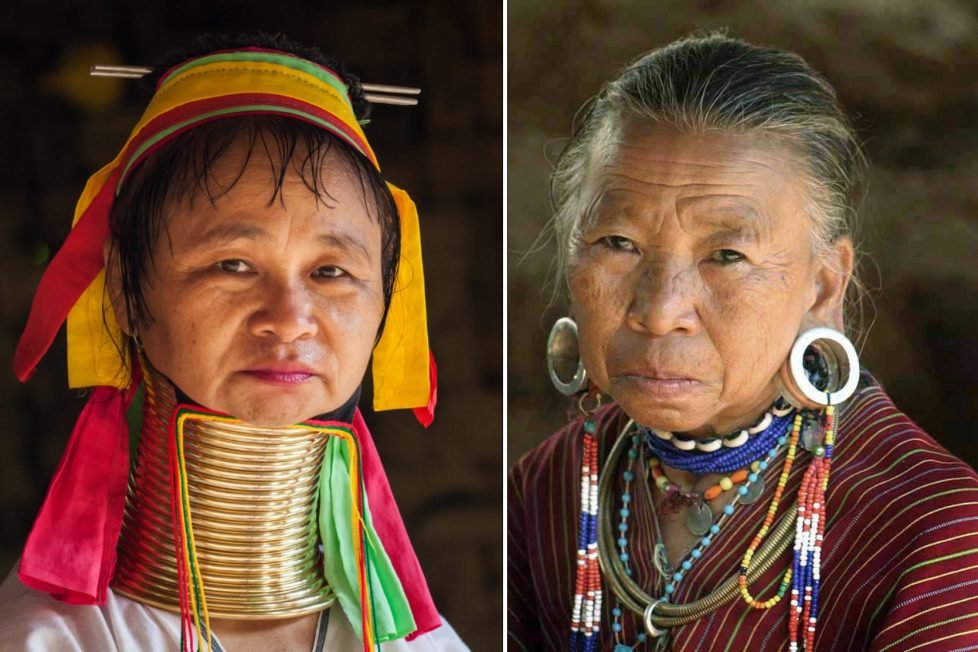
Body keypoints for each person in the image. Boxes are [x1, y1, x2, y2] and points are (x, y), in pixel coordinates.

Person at [508, 33, 978, 651]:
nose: (659, 310)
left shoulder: (937, 535)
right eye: (617, 243)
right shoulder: (546, 491)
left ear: (821, 287)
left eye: (727, 255)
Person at [0, 33, 466, 651]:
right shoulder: (50, 640)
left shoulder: (415, 641)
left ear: (386, 300)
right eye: (233, 265)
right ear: (125, 288)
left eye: (331, 272)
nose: (290, 318)